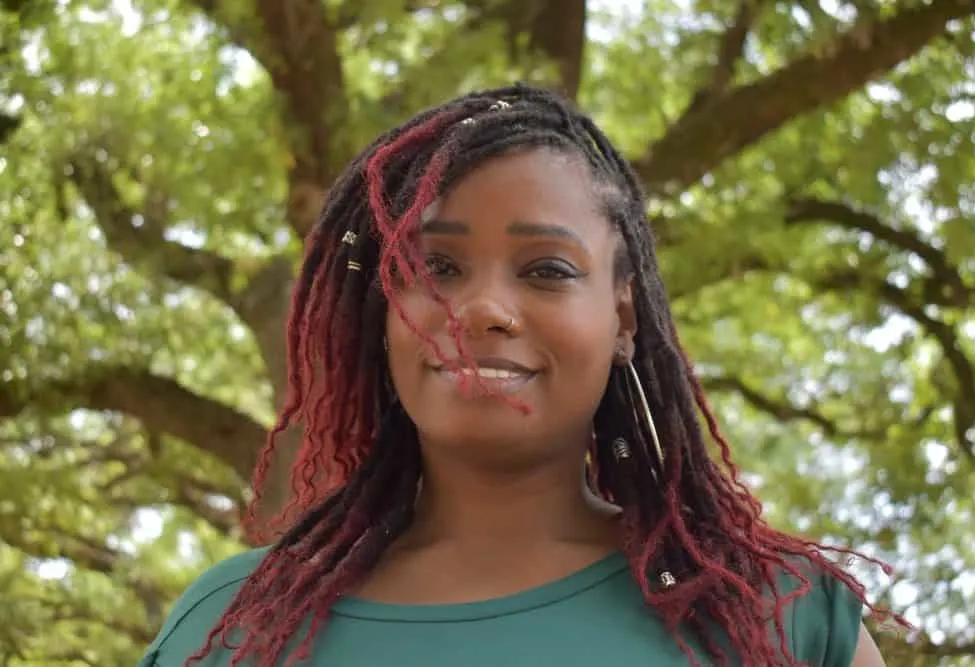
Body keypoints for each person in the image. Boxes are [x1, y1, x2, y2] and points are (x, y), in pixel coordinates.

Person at [138, 84, 895, 666]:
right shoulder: (233, 623)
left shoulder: (778, 615)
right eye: (437, 267)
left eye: (547, 269)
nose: (483, 309)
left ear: (625, 318)